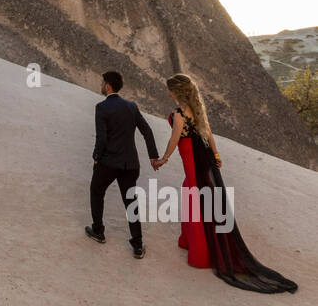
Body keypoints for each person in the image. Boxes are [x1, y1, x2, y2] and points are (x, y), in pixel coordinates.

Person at [152, 73, 297, 293]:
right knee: (202, 199)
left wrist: (163, 159)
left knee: (193, 200)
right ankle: (188, 241)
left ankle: (199, 256)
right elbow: (208, 133)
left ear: (176, 91)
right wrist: (216, 155)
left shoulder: (179, 113)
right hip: (205, 158)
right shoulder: (197, 109)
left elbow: (175, 138)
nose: (167, 92)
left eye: (169, 89)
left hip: (192, 160)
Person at [86, 70, 159, 258]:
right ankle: (137, 244)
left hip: (109, 162)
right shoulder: (131, 107)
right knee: (131, 202)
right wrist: (153, 156)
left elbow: (102, 138)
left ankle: (98, 231)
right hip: (130, 164)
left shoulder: (101, 107)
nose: (101, 85)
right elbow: (147, 132)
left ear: (108, 85)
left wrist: (96, 156)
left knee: (96, 191)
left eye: (103, 83)